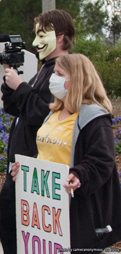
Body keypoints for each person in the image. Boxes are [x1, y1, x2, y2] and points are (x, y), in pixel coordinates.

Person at [10, 53, 121, 252]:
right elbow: (47, 153)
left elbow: (102, 160)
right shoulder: (53, 113)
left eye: (60, 74)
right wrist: (26, 169)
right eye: (54, 72)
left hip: (75, 212)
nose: (54, 78)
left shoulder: (95, 119)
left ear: (77, 79)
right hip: (45, 215)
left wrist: (79, 175)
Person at [0, 9, 75, 253]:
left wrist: (20, 87)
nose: (35, 42)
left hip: (34, 172)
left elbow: (42, 114)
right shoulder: (45, 70)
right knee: (11, 234)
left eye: (42, 35)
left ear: (60, 37)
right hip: (22, 170)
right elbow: (17, 108)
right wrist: (11, 82)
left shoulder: (62, 74)